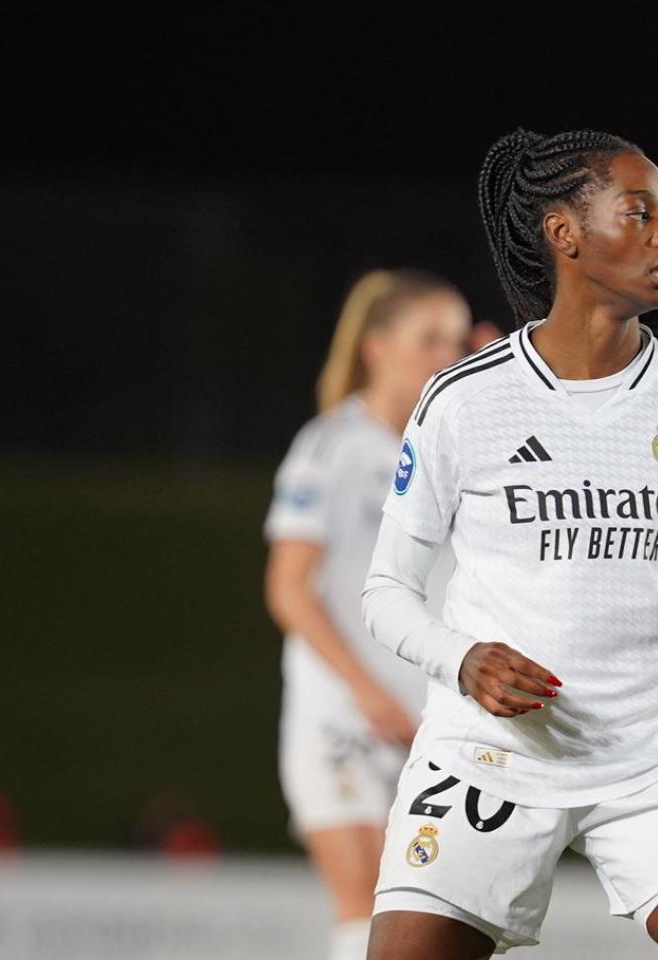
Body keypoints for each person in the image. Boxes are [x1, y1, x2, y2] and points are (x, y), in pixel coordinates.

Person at [360, 128, 658, 960]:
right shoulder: (464, 399)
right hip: (491, 755)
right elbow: (385, 592)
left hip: (655, 756)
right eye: (639, 213)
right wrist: (464, 659)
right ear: (566, 234)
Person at [264, 269, 471, 960]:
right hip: (344, 715)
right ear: (378, 347)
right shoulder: (332, 447)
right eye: (430, 338)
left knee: (431, 920)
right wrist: (364, 689)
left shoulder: (461, 454)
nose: (451, 354)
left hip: (432, 722)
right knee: (367, 909)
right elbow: (289, 588)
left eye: (459, 338)